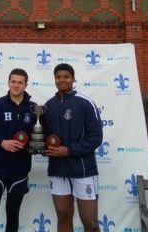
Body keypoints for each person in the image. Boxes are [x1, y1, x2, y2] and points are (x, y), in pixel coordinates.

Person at [42, 63, 103, 232]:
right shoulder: (48, 106)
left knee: (90, 223)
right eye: (58, 77)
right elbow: (45, 137)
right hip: (57, 169)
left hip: (82, 170)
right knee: (62, 217)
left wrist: (69, 150)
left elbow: (95, 138)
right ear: (54, 79)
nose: (62, 80)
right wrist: (41, 147)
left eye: (66, 77)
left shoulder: (85, 103)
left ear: (73, 79)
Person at [0, 68, 37, 232]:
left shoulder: (34, 109)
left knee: (13, 216)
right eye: (13, 81)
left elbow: (40, 135)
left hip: (20, 172)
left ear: (26, 85)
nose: (16, 85)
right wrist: (2, 142)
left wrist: (36, 145)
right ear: (8, 82)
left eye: (20, 82)